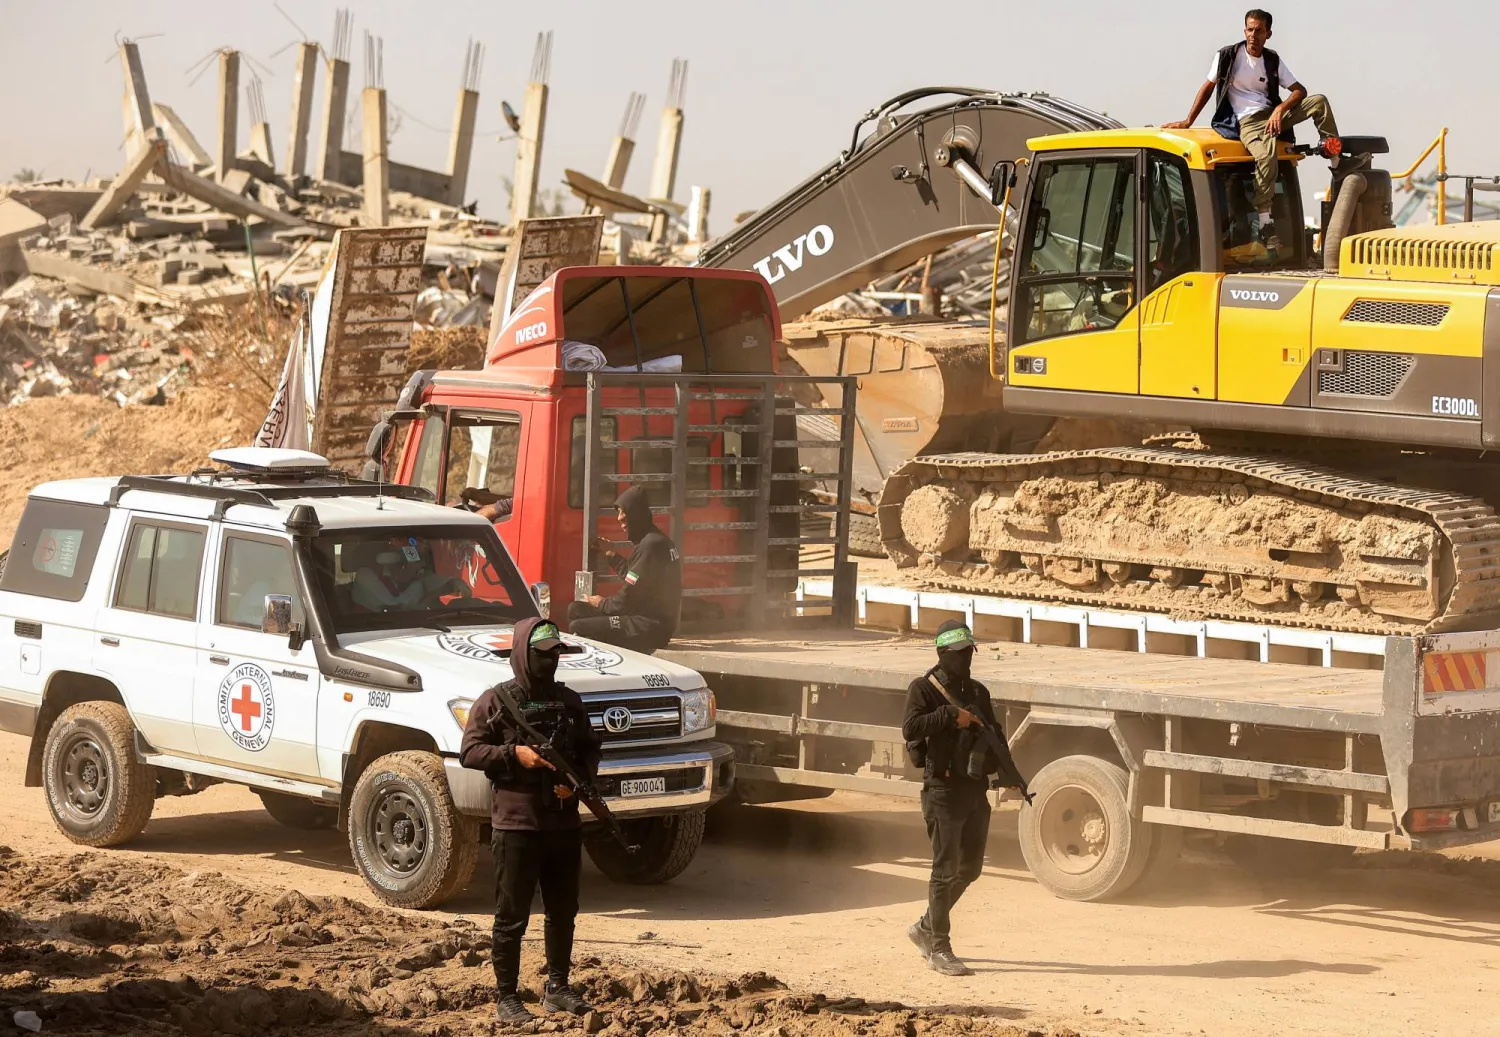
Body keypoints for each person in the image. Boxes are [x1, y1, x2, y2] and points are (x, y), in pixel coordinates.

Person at [459, 617, 603, 1023]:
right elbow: (469, 751)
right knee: (511, 916)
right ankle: (506, 996)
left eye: (556, 652)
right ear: (524, 653)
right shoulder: (495, 701)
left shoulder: (569, 702)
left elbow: (591, 749)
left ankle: (557, 987)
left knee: (563, 911)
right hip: (516, 825)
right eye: (542, 653)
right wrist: (514, 755)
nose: (551, 660)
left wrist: (577, 784)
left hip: (563, 825)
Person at [1162, 8, 1340, 259]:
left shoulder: (1271, 60)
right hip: (1248, 122)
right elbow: (1208, 87)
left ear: (1268, 34)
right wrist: (1188, 121)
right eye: (1249, 29)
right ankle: (1266, 222)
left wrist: (1279, 109)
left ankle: (1336, 162)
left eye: (1258, 30)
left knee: (1319, 102)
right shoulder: (1228, 56)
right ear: (1244, 30)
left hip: (1272, 115)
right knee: (1266, 155)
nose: (1253, 35)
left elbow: (1300, 90)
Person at [901, 620, 1025, 977]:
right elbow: (910, 728)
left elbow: (995, 735)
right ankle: (939, 947)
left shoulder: (978, 691)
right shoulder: (924, 689)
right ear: (943, 653)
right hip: (942, 790)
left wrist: (1010, 775)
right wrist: (949, 715)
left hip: (974, 790)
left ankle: (926, 926)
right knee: (944, 871)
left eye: (969, 651)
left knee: (970, 869)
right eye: (958, 653)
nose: (965, 658)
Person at [566, 485, 682, 654]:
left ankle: (605, 664)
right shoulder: (652, 540)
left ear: (636, 515)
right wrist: (611, 554)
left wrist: (601, 603)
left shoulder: (651, 545)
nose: (619, 519)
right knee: (576, 609)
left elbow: (627, 597)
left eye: (623, 513)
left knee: (578, 626)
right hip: (641, 617)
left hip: (650, 627)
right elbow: (636, 576)